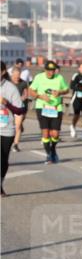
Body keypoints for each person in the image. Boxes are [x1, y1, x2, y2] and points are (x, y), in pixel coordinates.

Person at [27, 61, 69, 164]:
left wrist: (60, 92)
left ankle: (53, 149)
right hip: (42, 107)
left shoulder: (59, 78)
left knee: (55, 134)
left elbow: (67, 89)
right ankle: (48, 155)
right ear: (45, 70)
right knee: (45, 133)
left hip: (56, 108)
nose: (51, 72)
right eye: (49, 70)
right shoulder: (39, 77)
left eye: (53, 70)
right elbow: (30, 91)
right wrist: (40, 96)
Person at [2, 62, 28, 197]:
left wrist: (7, 104)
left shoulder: (10, 88)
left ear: (2, 72)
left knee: (3, 159)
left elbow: (20, 109)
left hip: (6, 128)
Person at [10, 66, 28, 152]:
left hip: (19, 107)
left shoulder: (23, 83)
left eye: (19, 75)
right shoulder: (7, 82)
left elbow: (26, 94)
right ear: (12, 74)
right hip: (8, 107)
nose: (17, 77)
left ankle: (16, 145)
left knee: (17, 127)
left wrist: (23, 97)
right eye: (15, 75)